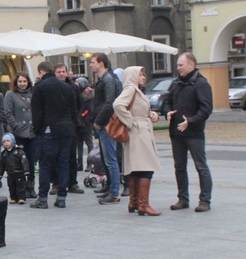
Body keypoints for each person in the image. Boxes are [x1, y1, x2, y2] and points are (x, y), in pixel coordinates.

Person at [162, 52, 213, 212]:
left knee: (201, 167)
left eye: (180, 65)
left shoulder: (201, 83)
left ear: (191, 65)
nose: (178, 68)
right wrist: (167, 112)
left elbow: (206, 109)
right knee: (179, 167)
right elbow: (166, 101)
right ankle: (182, 199)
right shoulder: (176, 82)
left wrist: (190, 121)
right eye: (177, 65)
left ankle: (205, 201)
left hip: (194, 133)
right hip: (176, 133)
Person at [113, 66, 162, 216]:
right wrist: (131, 122)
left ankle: (134, 202)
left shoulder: (136, 90)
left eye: (144, 74)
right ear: (133, 76)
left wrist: (152, 114)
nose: (144, 77)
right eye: (140, 75)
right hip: (139, 133)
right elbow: (118, 104)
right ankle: (143, 204)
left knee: (137, 168)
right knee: (146, 168)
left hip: (140, 131)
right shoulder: (131, 88)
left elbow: (138, 109)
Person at [30, 61, 76, 209]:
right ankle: (61, 197)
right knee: (64, 162)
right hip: (67, 129)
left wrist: (37, 130)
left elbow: (36, 113)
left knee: (45, 164)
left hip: (49, 129)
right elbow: (74, 110)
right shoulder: (67, 87)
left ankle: (42, 198)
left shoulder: (40, 88)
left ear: (41, 72)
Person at [90, 53, 122, 204]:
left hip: (107, 124)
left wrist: (98, 121)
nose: (91, 65)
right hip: (105, 123)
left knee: (111, 159)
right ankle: (111, 188)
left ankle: (114, 192)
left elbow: (109, 102)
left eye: (93, 62)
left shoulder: (108, 79)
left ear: (101, 63)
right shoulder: (105, 79)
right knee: (108, 158)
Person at [49, 64, 85, 195]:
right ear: (54, 73)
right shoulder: (50, 87)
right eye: (58, 72)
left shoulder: (73, 87)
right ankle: (56, 183)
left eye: (63, 71)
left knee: (71, 155)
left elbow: (80, 104)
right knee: (55, 156)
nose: (61, 74)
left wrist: (77, 119)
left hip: (71, 126)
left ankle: (72, 182)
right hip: (54, 126)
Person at [4, 73, 38, 199]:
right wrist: (16, 127)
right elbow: (8, 113)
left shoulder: (33, 93)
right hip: (18, 133)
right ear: (16, 82)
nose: (22, 83)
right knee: (19, 163)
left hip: (32, 133)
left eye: (24, 81)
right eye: (20, 81)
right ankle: (21, 188)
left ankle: (31, 186)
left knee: (31, 161)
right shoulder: (10, 94)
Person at [0, 133, 29, 205]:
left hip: (19, 173)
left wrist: (26, 171)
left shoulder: (19, 151)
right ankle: (13, 197)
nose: (6, 143)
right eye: (4, 142)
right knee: (11, 186)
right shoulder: (4, 153)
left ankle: (21, 197)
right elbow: (1, 165)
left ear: (12, 141)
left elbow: (24, 161)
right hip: (10, 173)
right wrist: (0, 173)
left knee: (20, 185)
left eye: (8, 141)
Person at [75, 77, 95, 171]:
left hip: (85, 124)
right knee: (79, 144)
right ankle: (79, 164)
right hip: (79, 123)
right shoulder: (79, 95)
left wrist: (84, 121)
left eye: (77, 83)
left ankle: (90, 164)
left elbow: (90, 111)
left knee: (89, 144)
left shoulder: (88, 97)